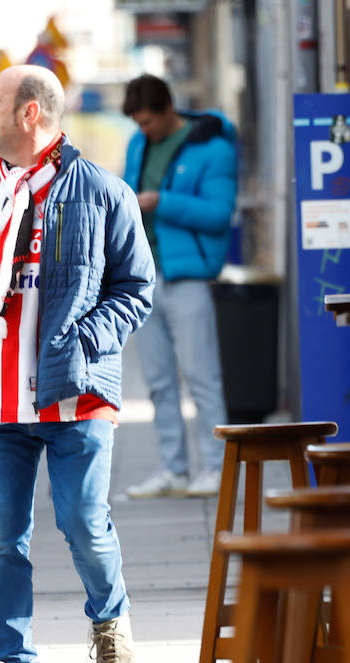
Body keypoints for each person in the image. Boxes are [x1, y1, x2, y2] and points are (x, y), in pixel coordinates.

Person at [0, 65, 155, 663]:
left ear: (31, 113)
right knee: (4, 537)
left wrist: (86, 342)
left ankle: (110, 620)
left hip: (74, 396)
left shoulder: (98, 190)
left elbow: (136, 288)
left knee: (83, 523)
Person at [120, 74, 239, 499]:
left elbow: (219, 214)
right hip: (144, 278)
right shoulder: (138, 144)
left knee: (201, 376)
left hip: (189, 278)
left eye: (148, 121)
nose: (143, 130)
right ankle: (174, 469)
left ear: (169, 108)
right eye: (138, 123)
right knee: (158, 380)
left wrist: (161, 202)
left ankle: (217, 466)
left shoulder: (214, 148)